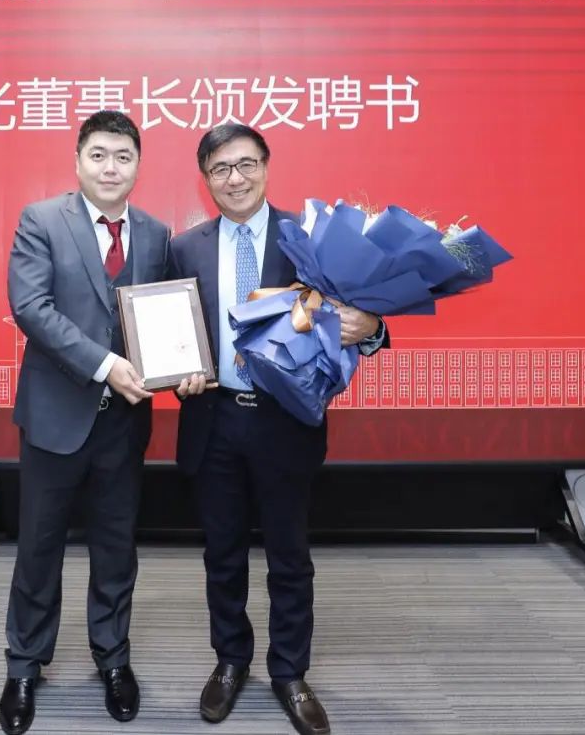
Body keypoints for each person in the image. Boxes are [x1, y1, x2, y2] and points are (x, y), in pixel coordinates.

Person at [170, 121, 388, 735]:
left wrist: (370, 327)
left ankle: (290, 671)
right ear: (206, 179)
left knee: (289, 556)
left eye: (245, 164)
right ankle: (230, 661)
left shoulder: (308, 240)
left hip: (284, 422)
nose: (234, 178)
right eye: (220, 169)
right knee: (222, 554)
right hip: (212, 419)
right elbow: (171, 328)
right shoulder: (184, 248)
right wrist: (175, 371)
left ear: (266, 167)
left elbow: (363, 319)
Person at [0, 109, 173, 735]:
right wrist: (105, 365)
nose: (110, 168)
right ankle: (24, 665)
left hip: (124, 424)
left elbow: (161, 318)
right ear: (78, 162)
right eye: (98, 155)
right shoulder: (42, 220)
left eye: (123, 157)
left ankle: (113, 657)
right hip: (56, 417)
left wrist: (180, 364)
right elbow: (31, 307)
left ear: (138, 166)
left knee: (116, 547)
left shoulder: (156, 233)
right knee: (39, 546)